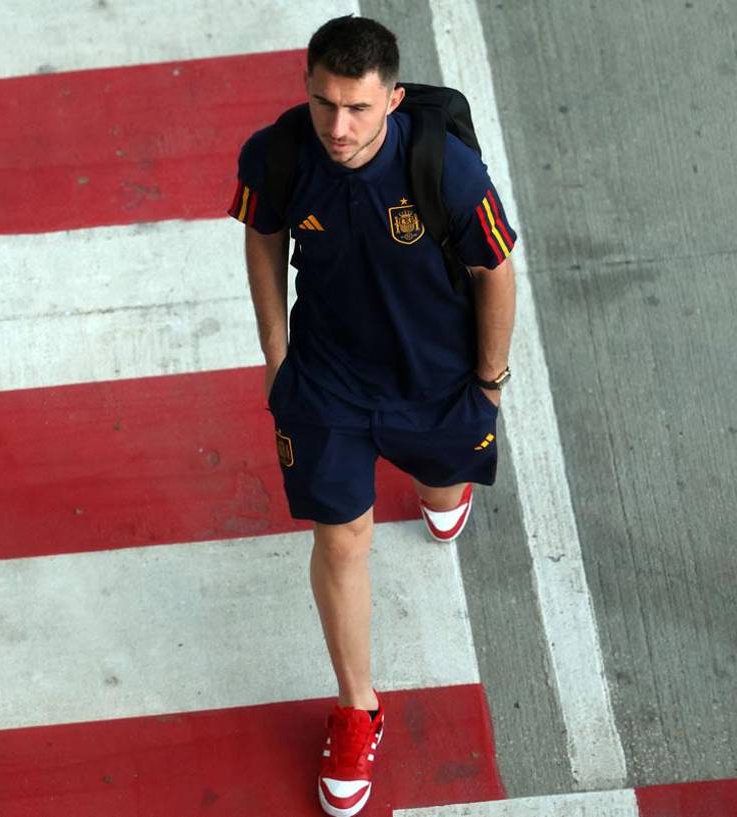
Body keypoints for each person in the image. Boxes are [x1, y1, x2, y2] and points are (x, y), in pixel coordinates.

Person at [227, 14, 518, 817]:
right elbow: (262, 234)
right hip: (329, 384)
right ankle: (358, 706)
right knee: (339, 537)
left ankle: (439, 485)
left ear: (392, 98)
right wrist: (275, 351)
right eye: (324, 103)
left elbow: (496, 271)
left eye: (357, 108)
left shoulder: (444, 169)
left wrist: (489, 385)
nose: (338, 126)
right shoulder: (279, 155)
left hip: (434, 379)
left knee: (441, 483)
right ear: (307, 88)